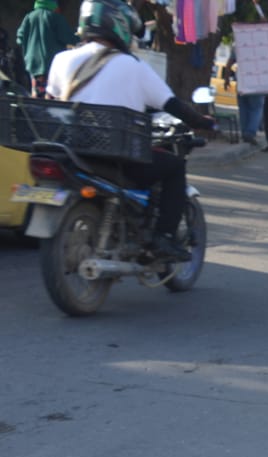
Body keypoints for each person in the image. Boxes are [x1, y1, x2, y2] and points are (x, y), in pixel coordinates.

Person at [46, 0, 216, 261]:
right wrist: (202, 122)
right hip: (114, 158)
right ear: (119, 25)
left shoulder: (61, 59)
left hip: (71, 152)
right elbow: (172, 105)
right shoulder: (132, 66)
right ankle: (162, 239)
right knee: (173, 167)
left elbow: (50, 102)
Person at [16, 0, 77, 98]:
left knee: (37, 96)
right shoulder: (56, 17)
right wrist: (80, 38)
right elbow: (67, 37)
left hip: (33, 63)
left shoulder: (29, 17)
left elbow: (20, 38)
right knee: (52, 97)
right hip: (52, 63)